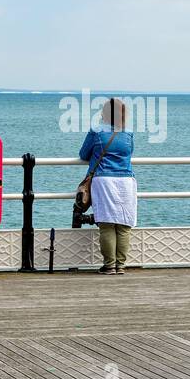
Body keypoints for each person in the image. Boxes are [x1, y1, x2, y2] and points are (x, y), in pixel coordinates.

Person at [79, 97, 136, 274]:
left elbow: (83, 154)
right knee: (124, 224)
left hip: (104, 180)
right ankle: (121, 265)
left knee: (106, 224)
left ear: (104, 114)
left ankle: (109, 265)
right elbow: (129, 153)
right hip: (126, 180)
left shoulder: (96, 131)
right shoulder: (128, 134)